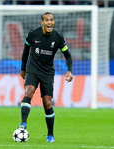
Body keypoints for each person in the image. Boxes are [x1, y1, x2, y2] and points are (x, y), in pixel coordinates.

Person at [17, 12, 73, 142]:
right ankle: (23, 123)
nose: (49, 22)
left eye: (51, 20)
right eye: (47, 20)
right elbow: (25, 51)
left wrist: (69, 71)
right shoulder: (33, 34)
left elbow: (68, 55)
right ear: (42, 22)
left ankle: (50, 135)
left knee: (47, 102)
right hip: (33, 69)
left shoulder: (58, 37)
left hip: (47, 72)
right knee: (28, 91)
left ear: (53, 22)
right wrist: (23, 68)